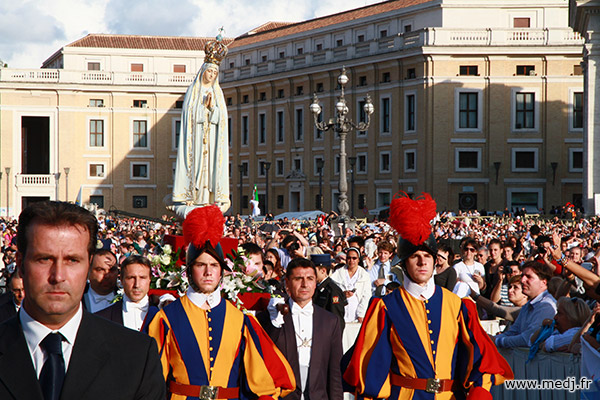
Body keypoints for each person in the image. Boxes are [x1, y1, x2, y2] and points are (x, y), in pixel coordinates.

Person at [343, 193, 512, 399]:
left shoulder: (458, 305)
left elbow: (479, 358)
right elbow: (372, 368)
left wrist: (479, 390)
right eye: (415, 256)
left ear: (435, 261)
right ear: (404, 264)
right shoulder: (385, 307)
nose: (423, 262)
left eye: (427, 256)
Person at [0, 201, 165, 399]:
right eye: (44, 259)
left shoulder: (137, 356)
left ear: (88, 266)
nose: (58, 276)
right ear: (20, 263)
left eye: (72, 260)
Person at [148, 205, 295, 400]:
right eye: (201, 265)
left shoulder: (240, 320)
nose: (208, 272)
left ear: (221, 271)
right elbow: (150, 382)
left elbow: (269, 378)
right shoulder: (165, 318)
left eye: (214, 266)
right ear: (190, 270)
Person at [258, 258, 343, 400]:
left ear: (316, 283)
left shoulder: (330, 321)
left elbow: (335, 373)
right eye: (298, 279)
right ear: (287, 284)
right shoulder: (272, 317)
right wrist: (274, 323)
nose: (304, 284)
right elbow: (263, 357)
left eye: (310, 278)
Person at [171, 32, 231, 217]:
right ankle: (194, 196)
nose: (211, 75)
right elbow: (189, 116)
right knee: (197, 168)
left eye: (215, 73)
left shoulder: (218, 94)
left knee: (210, 170)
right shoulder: (194, 91)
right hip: (196, 139)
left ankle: (209, 198)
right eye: (209, 71)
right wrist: (203, 108)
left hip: (212, 140)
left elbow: (221, 119)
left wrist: (212, 108)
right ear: (203, 71)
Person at [494, 261, 557, 348]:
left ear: (543, 282)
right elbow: (514, 332)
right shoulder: (528, 305)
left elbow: (527, 339)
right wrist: (490, 339)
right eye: (522, 276)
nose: (522, 280)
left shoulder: (546, 306)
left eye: (529, 277)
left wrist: (497, 341)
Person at [95, 255, 159, 333]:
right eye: (131, 278)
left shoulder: (163, 313)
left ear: (150, 279)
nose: (137, 285)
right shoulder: (103, 318)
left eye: (142, 277)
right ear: (121, 280)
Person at [330, 247, 371, 323]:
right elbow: (332, 293)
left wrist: (361, 314)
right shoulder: (338, 274)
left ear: (358, 259)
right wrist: (342, 294)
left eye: (354, 258)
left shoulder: (364, 275)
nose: (351, 261)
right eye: (349, 258)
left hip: (356, 314)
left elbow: (366, 296)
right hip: (341, 311)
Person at [311, 253, 346, 331]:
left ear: (323, 271)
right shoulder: (316, 287)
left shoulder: (332, 290)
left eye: (313, 270)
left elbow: (337, 319)